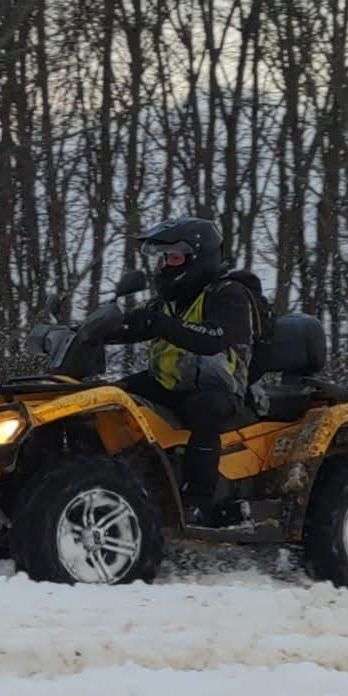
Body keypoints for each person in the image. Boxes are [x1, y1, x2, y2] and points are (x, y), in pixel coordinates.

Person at [114, 217, 256, 526]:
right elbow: (134, 326)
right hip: (168, 384)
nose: (166, 265)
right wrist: (88, 332)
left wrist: (162, 325)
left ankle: (198, 503)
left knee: (203, 410)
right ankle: (119, 478)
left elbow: (212, 338)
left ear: (198, 258)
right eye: (165, 258)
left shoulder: (229, 294)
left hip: (218, 388)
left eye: (174, 258)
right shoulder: (168, 302)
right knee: (113, 396)